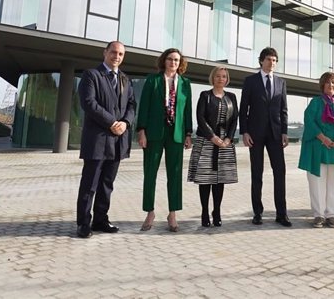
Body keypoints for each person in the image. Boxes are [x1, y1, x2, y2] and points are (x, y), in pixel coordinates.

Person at [76, 41, 136, 238]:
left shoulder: (126, 79)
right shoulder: (91, 75)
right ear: (105, 53)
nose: (116, 56)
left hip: (118, 141)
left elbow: (132, 105)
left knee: (107, 184)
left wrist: (125, 123)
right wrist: (112, 122)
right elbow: (89, 103)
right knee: (90, 184)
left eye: (120, 54)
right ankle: (83, 223)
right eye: (113, 52)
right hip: (97, 140)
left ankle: (100, 220)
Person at [136, 48, 193, 232]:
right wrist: (141, 131)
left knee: (175, 175)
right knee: (150, 173)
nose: (173, 63)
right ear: (164, 61)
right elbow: (143, 106)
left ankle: (173, 213)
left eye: (176, 60)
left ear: (180, 63)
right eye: (170, 59)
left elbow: (187, 111)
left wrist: (188, 134)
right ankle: (150, 212)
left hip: (176, 134)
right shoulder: (152, 80)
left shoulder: (185, 83)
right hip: (154, 133)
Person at [239, 47, 291, 227]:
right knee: (257, 173)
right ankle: (257, 213)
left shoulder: (281, 82)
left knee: (280, 173)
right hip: (255, 134)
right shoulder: (250, 81)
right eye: (269, 59)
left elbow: (284, 110)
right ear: (261, 61)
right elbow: (243, 109)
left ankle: (281, 214)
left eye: (275, 60)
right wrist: (244, 132)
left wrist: (285, 132)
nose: (272, 62)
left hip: (276, 135)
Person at [298, 71, 334, 228]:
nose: (331, 85)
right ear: (322, 85)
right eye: (328, 82)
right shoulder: (315, 103)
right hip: (318, 148)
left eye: (333, 83)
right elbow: (309, 121)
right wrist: (323, 138)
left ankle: (331, 214)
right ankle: (318, 215)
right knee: (316, 183)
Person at [188, 66, 238, 228]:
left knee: (219, 180)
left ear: (227, 79)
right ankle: (204, 212)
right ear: (213, 78)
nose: (220, 79)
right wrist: (213, 137)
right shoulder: (205, 96)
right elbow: (200, 118)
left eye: (224, 76)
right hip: (206, 142)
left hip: (225, 144)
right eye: (217, 76)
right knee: (205, 179)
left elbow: (234, 119)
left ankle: (216, 212)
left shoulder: (231, 97)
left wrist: (229, 138)